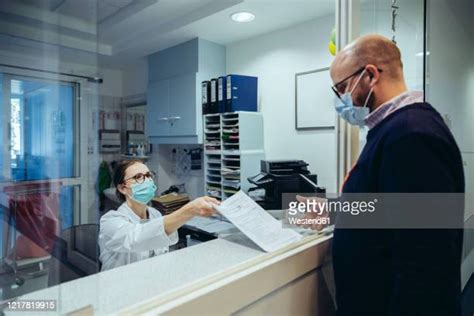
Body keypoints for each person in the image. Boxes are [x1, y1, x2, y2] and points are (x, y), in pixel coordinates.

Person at [303, 34, 464, 315]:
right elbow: (389, 208)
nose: (340, 99)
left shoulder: (411, 136)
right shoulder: (393, 129)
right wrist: (331, 210)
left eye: (342, 88)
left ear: (370, 75)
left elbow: (425, 263)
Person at [98, 159, 219, 271]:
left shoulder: (155, 214)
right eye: (138, 177)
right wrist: (189, 210)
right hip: (119, 288)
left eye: (149, 175)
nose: (147, 181)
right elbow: (136, 238)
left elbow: (164, 246)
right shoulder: (110, 221)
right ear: (122, 188)